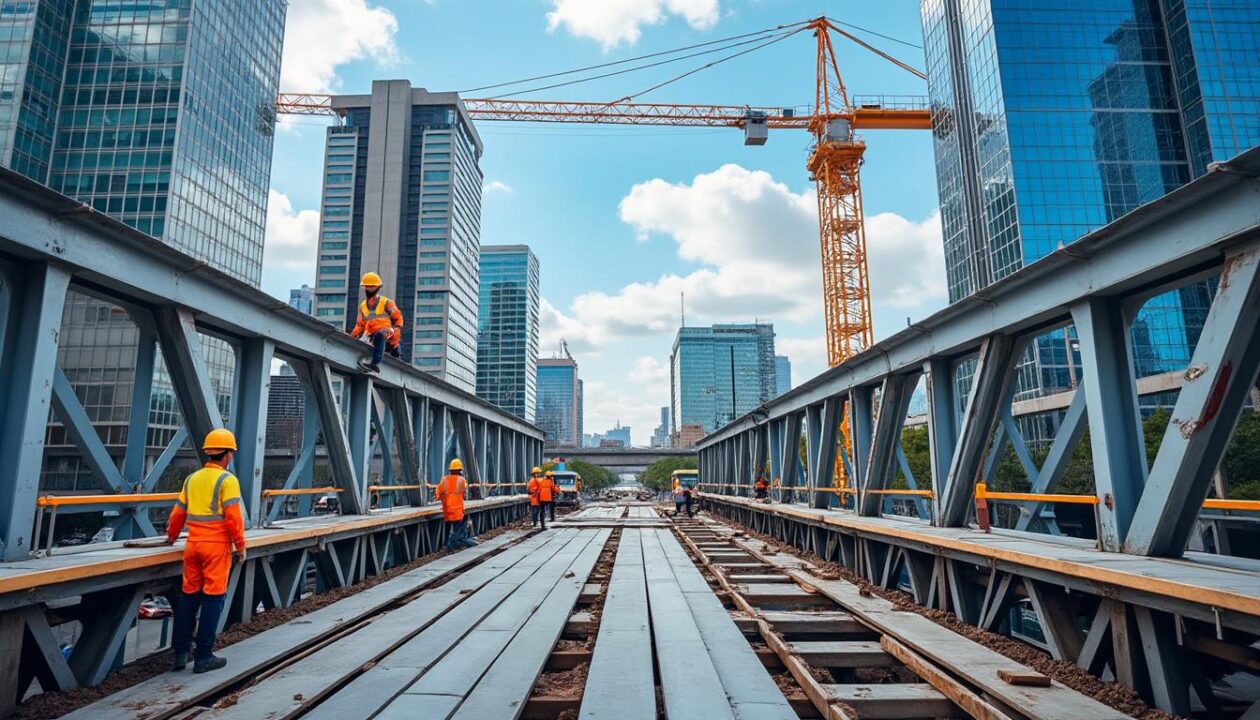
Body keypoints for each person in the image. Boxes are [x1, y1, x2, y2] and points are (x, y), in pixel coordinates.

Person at [165, 429, 247, 674]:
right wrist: (240, 546)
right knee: (213, 599)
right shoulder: (227, 481)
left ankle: (180, 654)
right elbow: (234, 519)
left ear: (208, 453)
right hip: (216, 547)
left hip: (193, 545)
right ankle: (203, 657)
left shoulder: (192, 479)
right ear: (228, 455)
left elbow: (177, 513)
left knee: (189, 597)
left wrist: (170, 538)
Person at [349, 271, 404, 374]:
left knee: (381, 334)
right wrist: (351, 337)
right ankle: (394, 351)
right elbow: (360, 325)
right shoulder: (363, 306)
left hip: (387, 331)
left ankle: (375, 363)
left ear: (377, 288)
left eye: (371, 287)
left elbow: (398, 318)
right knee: (374, 338)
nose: (369, 289)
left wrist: (396, 330)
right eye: (367, 287)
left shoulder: (386, 302)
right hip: (371, 334)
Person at [438, 459, 478, 549]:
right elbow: (465, 492)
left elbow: (438, 495)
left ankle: (447, 543)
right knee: (460, 528)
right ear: (460, 470)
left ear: (450, 470)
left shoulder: (443, 480)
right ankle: (455, 543)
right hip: (457, 512)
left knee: (448, 527)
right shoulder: (462, 480)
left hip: (447, 511)